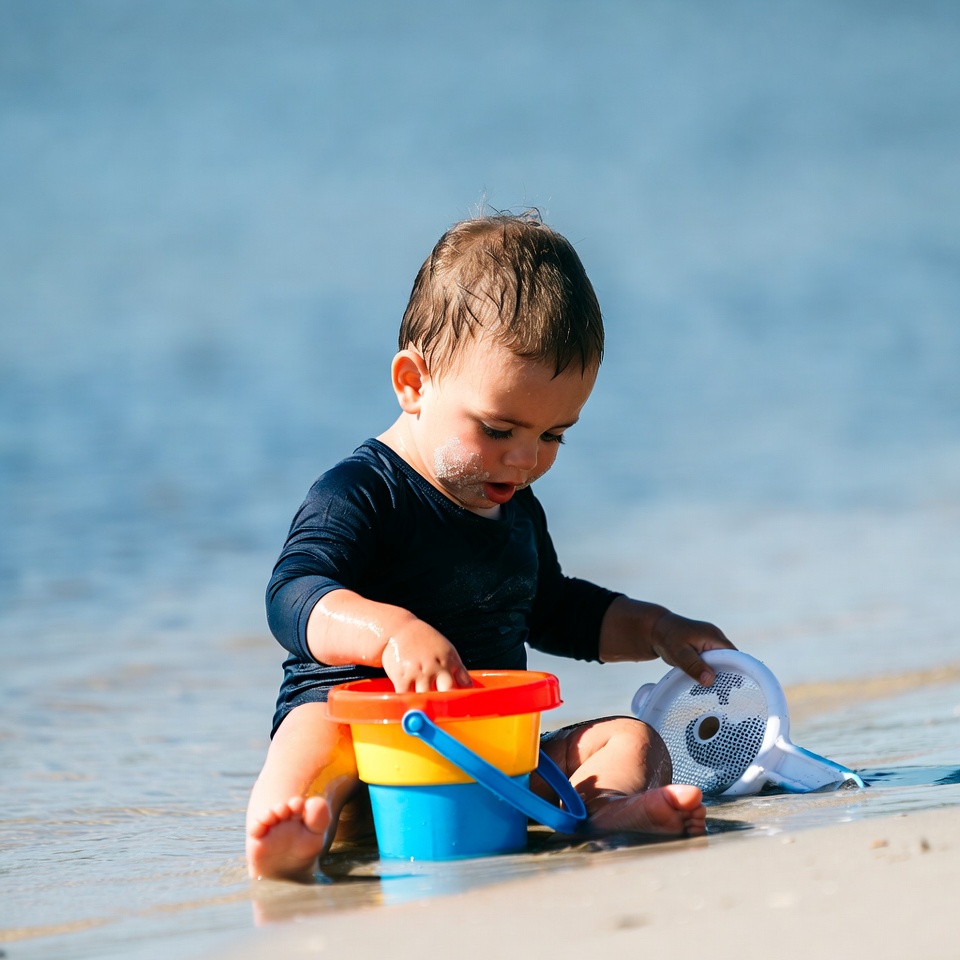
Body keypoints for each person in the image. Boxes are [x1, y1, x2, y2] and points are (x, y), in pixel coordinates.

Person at [246, 211, 735, 881]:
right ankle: (292, 829)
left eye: (554, 435)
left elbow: (552, 608)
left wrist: (654, 628)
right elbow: (293, 595)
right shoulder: (360, 492)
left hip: (491, 758)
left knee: (633, 737)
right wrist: (390, 635)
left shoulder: (511, 502)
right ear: (413, 383)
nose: (526, 459)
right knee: (311, 732)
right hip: (367, 752)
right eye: (499, 429)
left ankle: (608, 806)